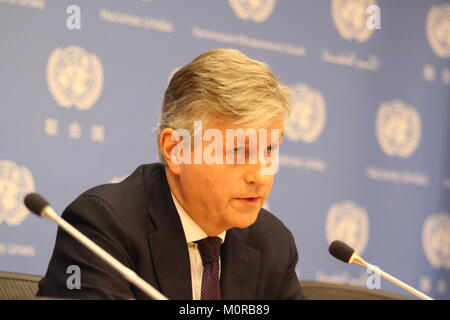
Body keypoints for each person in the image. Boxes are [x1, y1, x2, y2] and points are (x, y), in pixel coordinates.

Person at [37, 48, 306, 300]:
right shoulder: (104, 226)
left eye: (270, 149)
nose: (260, 175)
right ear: (176, 149)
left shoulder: (271, 242)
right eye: (238, 151)